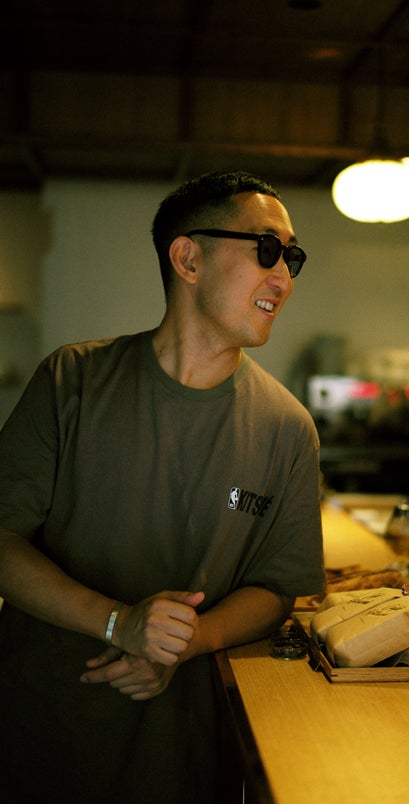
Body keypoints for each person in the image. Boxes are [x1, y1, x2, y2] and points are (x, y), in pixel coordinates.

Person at [0, 171, 325, 803]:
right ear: (188, 258)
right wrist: (120, 623)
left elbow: (277, 588)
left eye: (292, 258)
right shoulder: (72, 380)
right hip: (42, 734)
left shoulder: (288, 428)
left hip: (185, 751)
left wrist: (189, 640)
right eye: (267, 250)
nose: (284, 279)